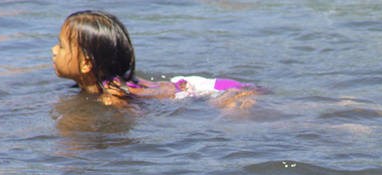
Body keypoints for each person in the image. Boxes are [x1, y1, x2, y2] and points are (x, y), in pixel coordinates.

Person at [52, 10, 257, 107]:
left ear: (86, 64)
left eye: (61, 46)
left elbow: (137, 122)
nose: (54, 50)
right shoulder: (103, 86)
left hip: (213, 91)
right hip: (186, 86)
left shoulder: (112, 95)